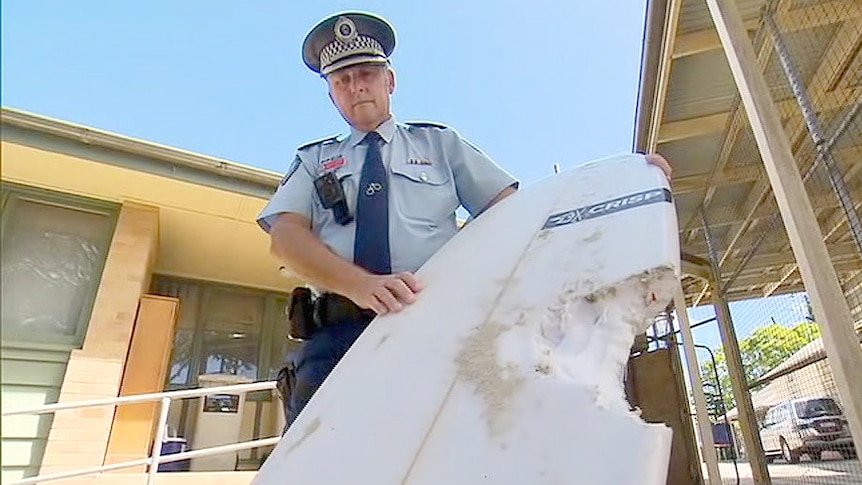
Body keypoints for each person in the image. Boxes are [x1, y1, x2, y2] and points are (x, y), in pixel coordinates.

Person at [257, 11, 672, 429]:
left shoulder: (440, 144)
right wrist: (361, 286)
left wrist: (617, 181)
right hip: (336, 337)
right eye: (341, 80)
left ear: (390, 82)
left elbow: (514, 212)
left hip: (436, 328)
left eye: (366, 72)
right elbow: (286, 236)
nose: (355, 86)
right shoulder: (313, 161)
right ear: (331, 95)